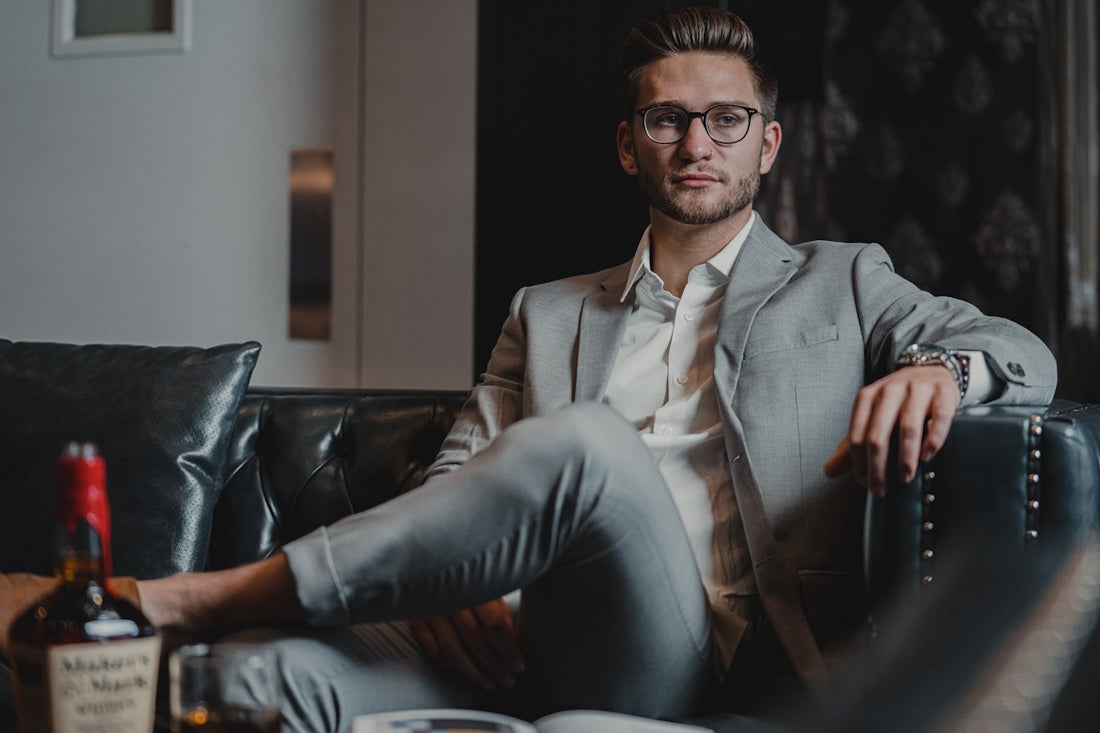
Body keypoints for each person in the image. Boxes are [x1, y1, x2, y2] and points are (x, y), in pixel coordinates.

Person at [2, 7, 1057, 732]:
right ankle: (220, 625)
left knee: (584, 440)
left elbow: (1023, 353)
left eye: (725, 119)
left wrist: (945, 375)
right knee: (254, 674)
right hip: (519, 646)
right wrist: (444, 580)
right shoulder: (545, 311)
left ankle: (184, 595)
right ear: (625, 146)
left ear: (767, 145)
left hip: (718, 661)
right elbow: (456, 479)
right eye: (664, 118)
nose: (696, 140)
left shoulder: (846, 280)